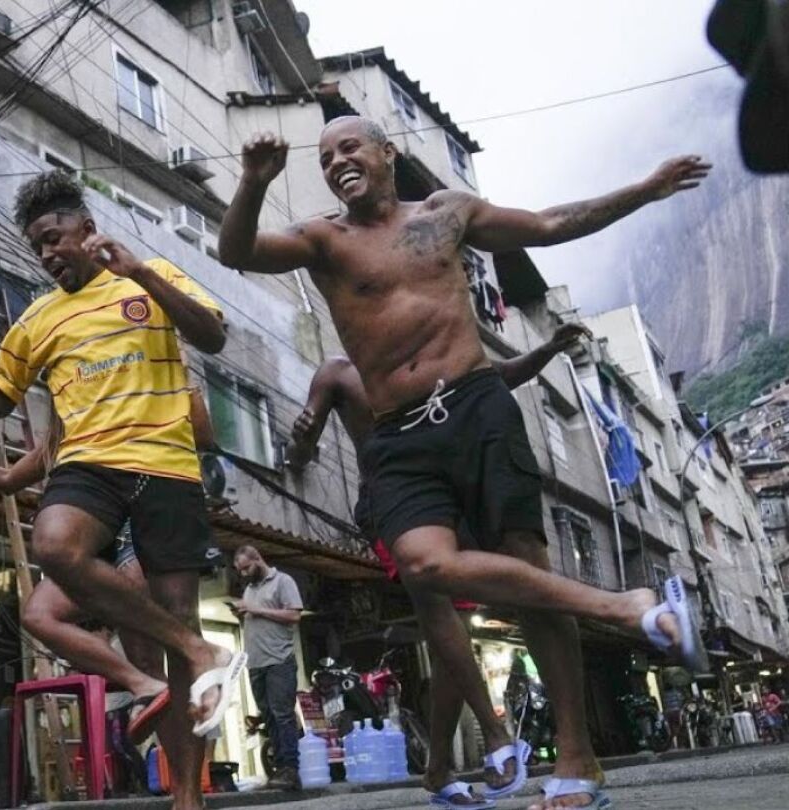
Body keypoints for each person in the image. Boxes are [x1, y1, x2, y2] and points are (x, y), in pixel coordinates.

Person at [220, 118, 711, 810]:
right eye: (325, 158)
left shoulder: (447, 214)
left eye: (350, 148)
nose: (337, 163)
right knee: (424, 567)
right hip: (396, 437)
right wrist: (252, 181)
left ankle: (577, 760)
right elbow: (235, 249)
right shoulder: (322, 240)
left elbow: (545, 224)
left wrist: (646, 189)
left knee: (527, 573)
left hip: (478, 407)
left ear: (387, 153)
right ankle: (629, 609)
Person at [0, 169, 243, 810]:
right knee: (54, 546)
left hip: (166, 467)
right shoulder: (38, 319)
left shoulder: (151, 275)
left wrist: (141, 274)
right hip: (88, 464)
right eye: (38, 247)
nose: (49, 254)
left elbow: (213, 335)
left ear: (87, 229)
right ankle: (195, 651)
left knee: (162, 639)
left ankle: (186, 796)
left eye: (55, 238)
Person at [287, 327, 589, 802]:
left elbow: (496, 378)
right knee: (437, 608)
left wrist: (547, 350)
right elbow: (299, 454)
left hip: (443, 501)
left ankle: (438, 769)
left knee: (451, 632)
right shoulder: (337, 375)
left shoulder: (425, 365)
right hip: (388, 501)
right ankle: (493, 733)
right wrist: (302, 439)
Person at [0, 416, 171, 741]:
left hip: (130, 534)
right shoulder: (59, 440)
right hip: (86, 553)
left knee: (148, 658)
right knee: (37, 614)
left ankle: (185, 780)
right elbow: (6, 478)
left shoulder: (119, 416)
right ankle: (141, 685)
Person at [229, 545, 304, 790]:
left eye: (246, 568)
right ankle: (278, 770)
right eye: (240, 571)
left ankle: (291, 771)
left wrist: (254, 609)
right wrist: (243, 612)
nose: (243, 575)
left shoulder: (283, 581)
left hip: (279, 661)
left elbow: (294, 616)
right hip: (256, 663)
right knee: (269, 718)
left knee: (283, 715)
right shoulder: (249, 590)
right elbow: (257, 617)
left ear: (258, 559)